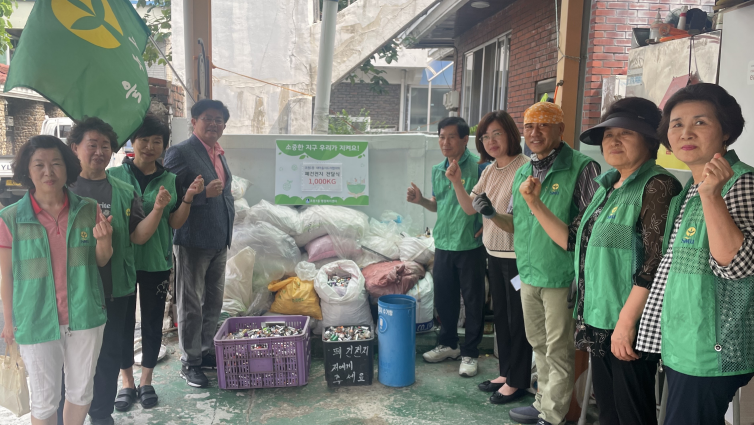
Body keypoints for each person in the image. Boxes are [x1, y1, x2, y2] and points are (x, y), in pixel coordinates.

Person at [518, 98, 682, 425]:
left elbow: (656, 263)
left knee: (631, 413)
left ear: (651, 140)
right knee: (609, 411)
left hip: (628, 324)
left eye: (626, 133)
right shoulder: (608, 187)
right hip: (599, 319)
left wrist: (626, 324)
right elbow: (572, 239)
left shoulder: (658, 185)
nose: (613, 141)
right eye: (608, 134)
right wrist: (534, 204)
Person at [473, 102, 601, 425]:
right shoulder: (525, 170)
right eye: (530, 127)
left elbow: (584, 233)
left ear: (560, 130)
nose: (535, 133)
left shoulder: (583, 168)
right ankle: (544, 402)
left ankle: (554, 416)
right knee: (538, 345)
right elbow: (517, 223)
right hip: (528, 272)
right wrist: (491, 214)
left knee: (558, 348)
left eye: (544, 126)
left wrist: (536, 202)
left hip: (560, 276)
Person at [635, 83, 754, 425]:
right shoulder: (690, 188)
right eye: (676, 124)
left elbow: (737, 265)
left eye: (700, 122)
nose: (685, 132)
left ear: (726, 130)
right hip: (685, 343)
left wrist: (713, 196)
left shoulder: (741, 183)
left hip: (711, 348)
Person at [0, 136, 112, 425]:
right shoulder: (10, 218)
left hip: (85, 314)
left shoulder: (88, 209)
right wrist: (9, 321)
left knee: (81, 390)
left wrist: (104, 241)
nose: (48, 172)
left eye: (56, 164)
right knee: (43, 399)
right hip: (36, 319)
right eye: (39, 165)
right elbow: (6, 275)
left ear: (68, 168)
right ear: (27, 170)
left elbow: (101, 259)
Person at [63, 117, 167, 425]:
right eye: (91, 145)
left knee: (109, 356)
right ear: (75, 148)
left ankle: (101, 415)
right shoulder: (64, 191)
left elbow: (137, 236)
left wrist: (158, 209)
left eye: (105, 146)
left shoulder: (123, 190)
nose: (99, 151)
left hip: (115, 288)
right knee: (70, 361)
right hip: (72, 291)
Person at [107, 115, 204, 410]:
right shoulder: (114, 177)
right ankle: (126, 382)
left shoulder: (170, 179)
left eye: (156, 141)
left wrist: (186, 198)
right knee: (121, 323)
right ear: (132, 144)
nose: (149, 147)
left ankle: (147, 380)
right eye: (143, 140)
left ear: (164, 146)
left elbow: (175, 221)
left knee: (151, 322)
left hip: (156, 261)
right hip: (120, 261)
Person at [445, 110, 532, 403]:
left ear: (510, 134)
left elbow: (523, 216)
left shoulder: (525, 167)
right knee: (503, 319)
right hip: (494, 253)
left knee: (519, 319)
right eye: (485, 136)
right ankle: (506, 373)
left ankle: (518, 381)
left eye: (497, 134)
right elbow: (471, 208)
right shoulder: (490, 170)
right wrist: (457, 182)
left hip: (520, 258)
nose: (491, 140)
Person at [406, 116, 488, 377]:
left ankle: (471, 353)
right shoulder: (436, 170)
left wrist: (488, 225)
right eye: (442, 137)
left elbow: (493, 205)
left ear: (465, 140)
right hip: (443, 243)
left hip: (470, 245)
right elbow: (437, 204)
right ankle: (449, 344)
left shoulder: (480, 168)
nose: (445, 142)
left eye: (452, 137)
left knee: (473, 302)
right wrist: (421, 201)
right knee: (445, 300)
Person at [163, 99, 235, 388]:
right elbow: (170, 193)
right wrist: (203, 193)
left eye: (219, 120)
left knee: (213, 302)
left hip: (220, 238)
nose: (214, 124)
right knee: (191, 303)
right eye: (208, 118)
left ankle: (205, 352)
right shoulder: (180, 152)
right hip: (193, 238)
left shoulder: (218, 153)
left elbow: (224, 191)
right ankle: (189, 361)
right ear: (193, 121)